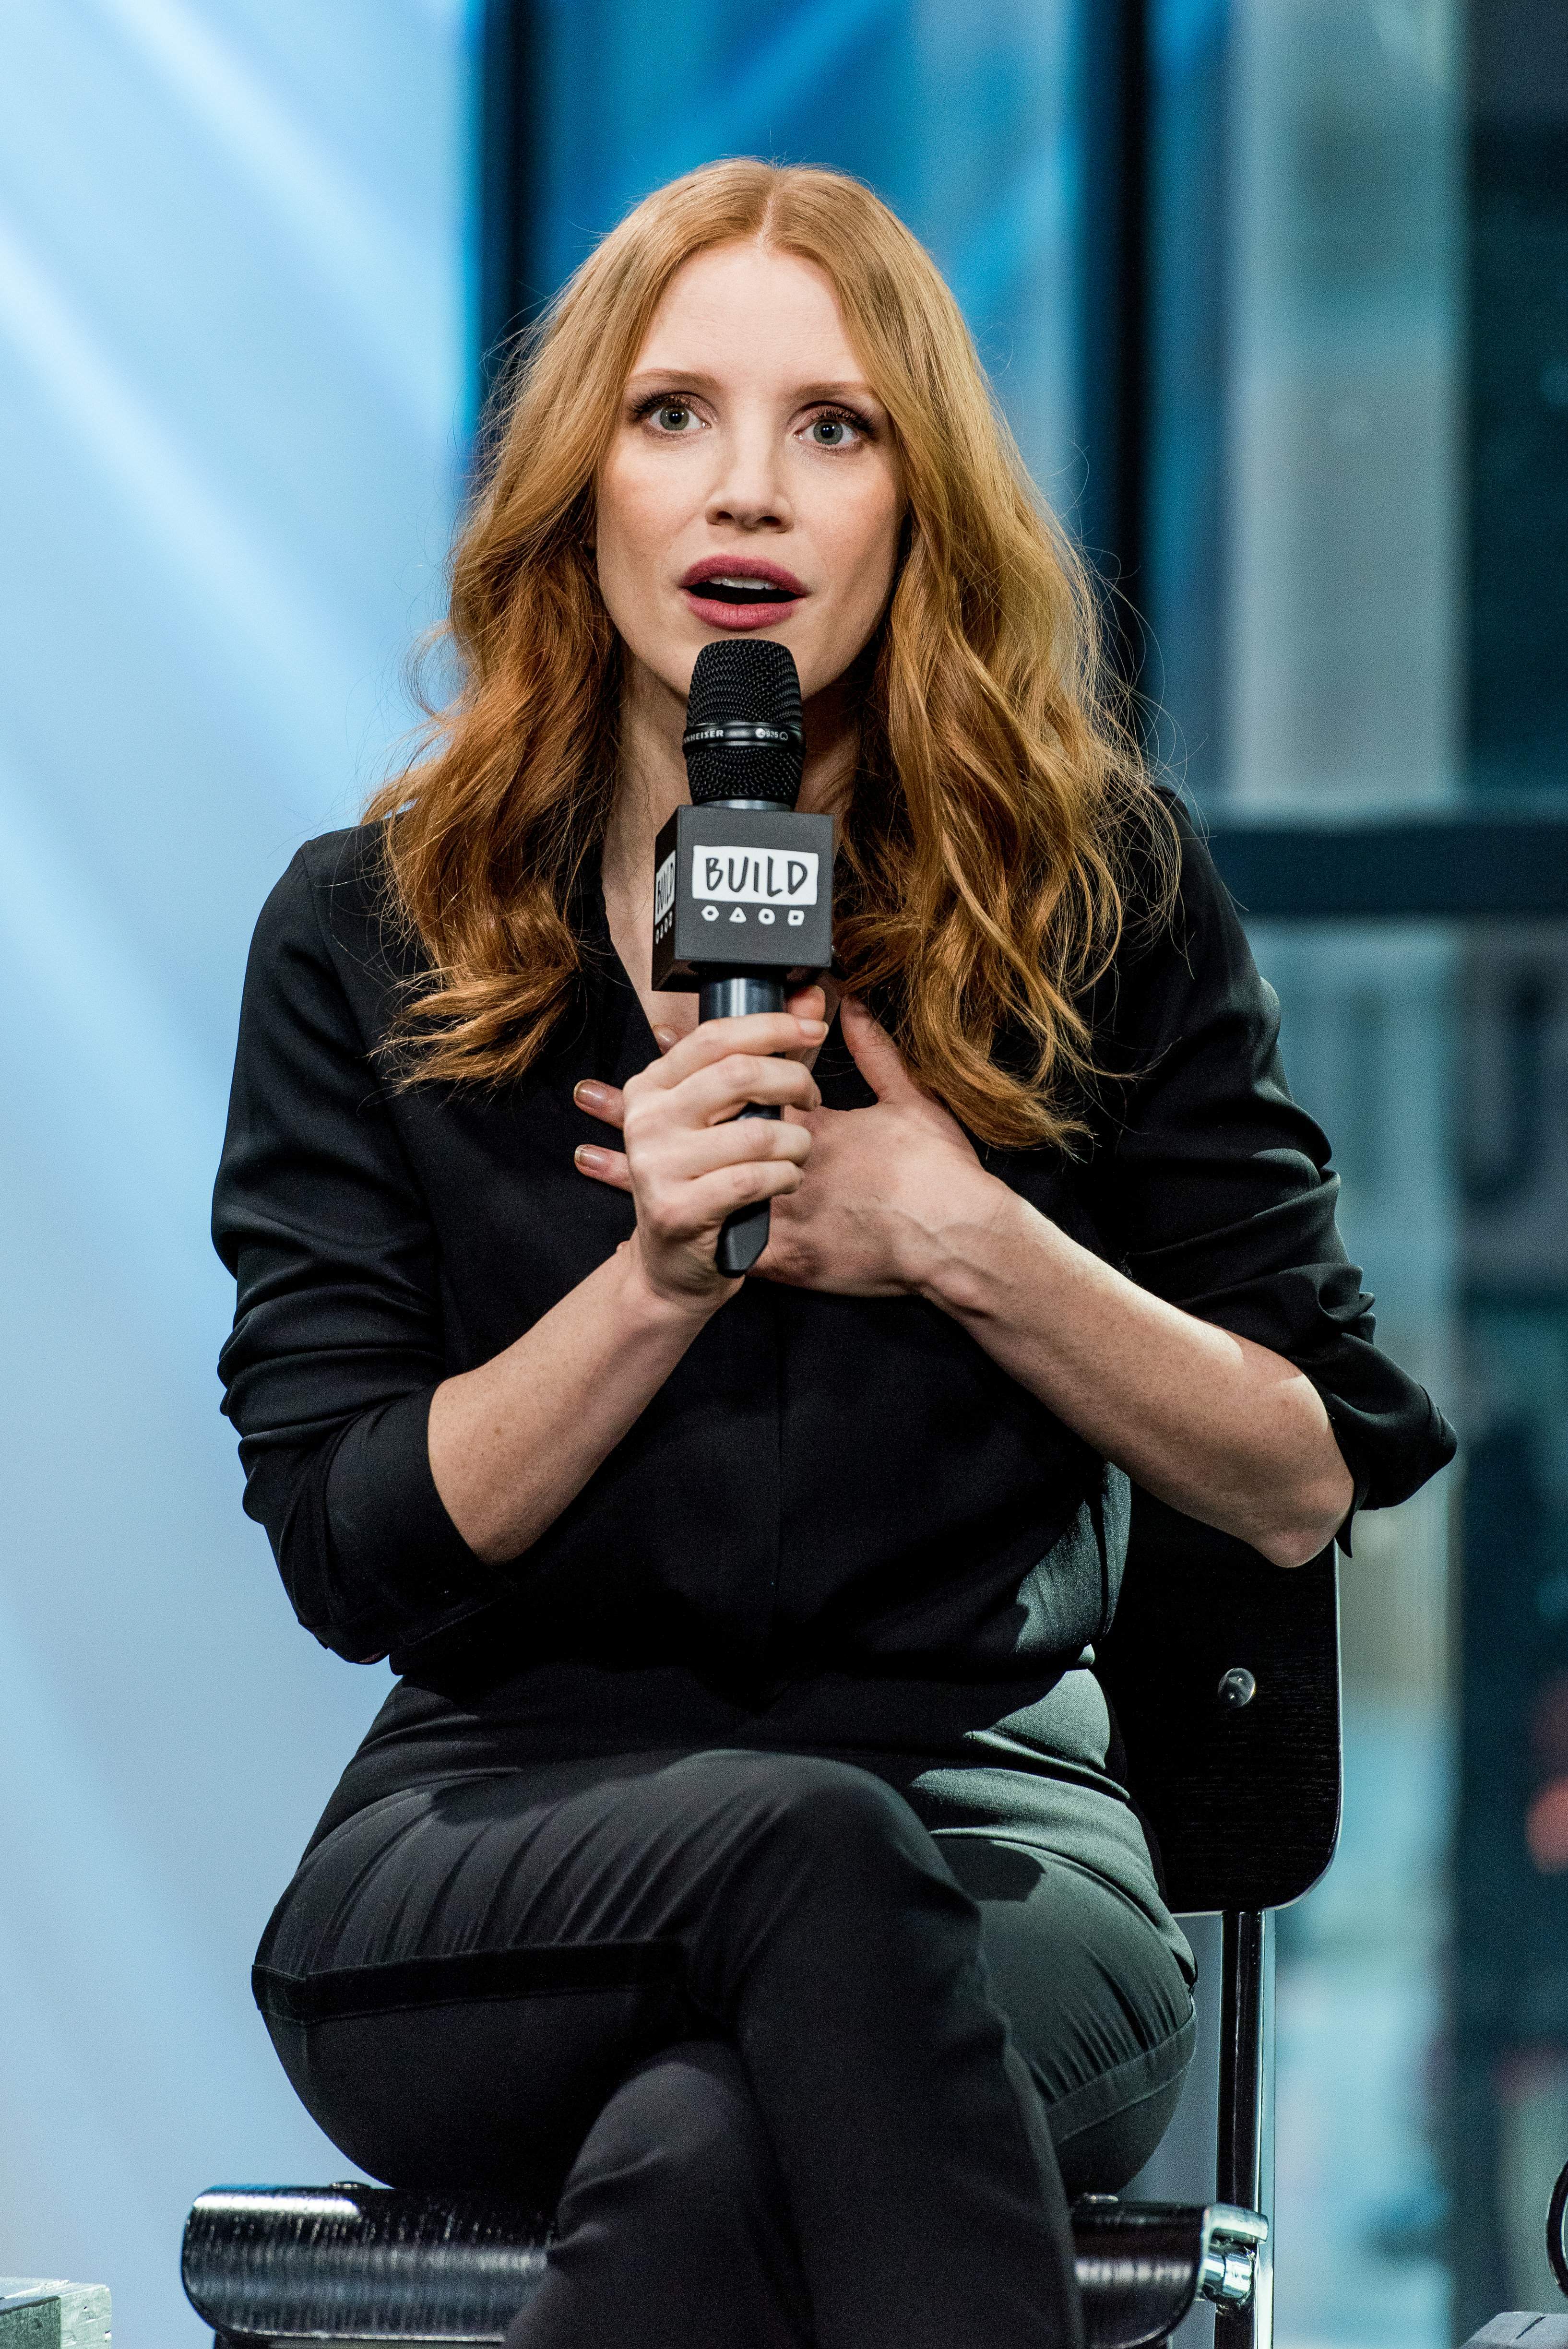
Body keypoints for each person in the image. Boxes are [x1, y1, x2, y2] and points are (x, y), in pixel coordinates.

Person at [212, 160, 1455, 2349]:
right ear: (579, 487)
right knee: (796, 1861)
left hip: (993, 1836)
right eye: (673, 414)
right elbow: (351, 1548)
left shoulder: (1099, 904)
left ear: (916, 507)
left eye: (834, 426)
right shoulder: (367, 929)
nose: (749, 490)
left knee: (712, 2150)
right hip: (498, 1834)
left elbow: (1295, 1475)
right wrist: (650, 1287)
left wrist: (969, 1241)